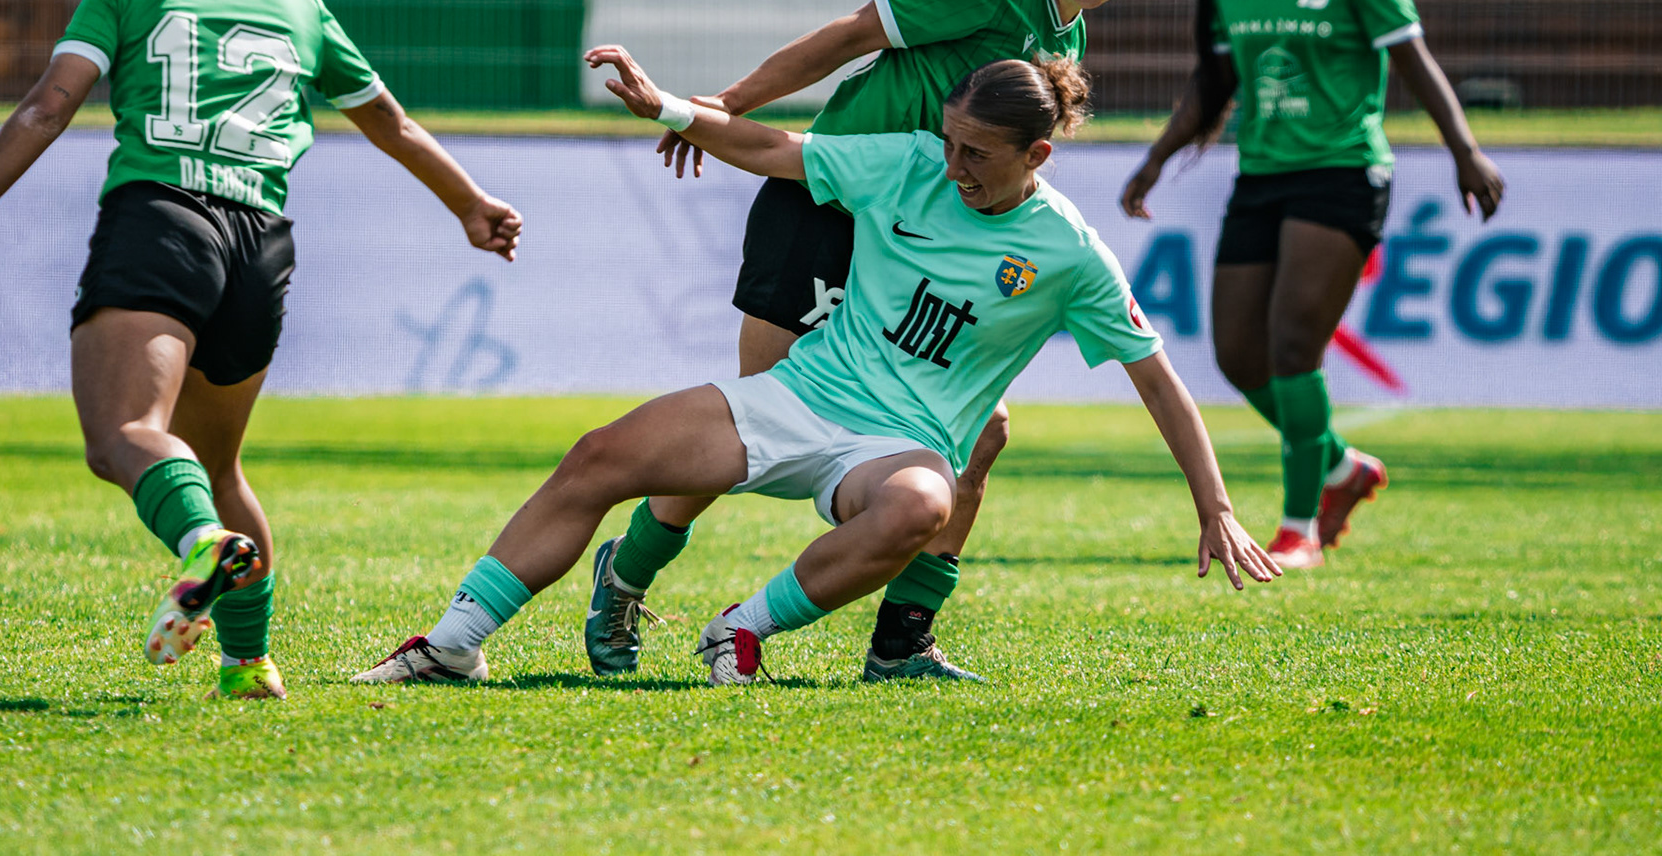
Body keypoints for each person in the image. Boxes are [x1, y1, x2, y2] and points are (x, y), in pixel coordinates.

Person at [0, 0, 522, 699]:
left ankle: (199, 545)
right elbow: (391, 121)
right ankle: (248, 661)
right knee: (217, 461)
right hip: (261, 245)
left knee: (127, 437)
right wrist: (470, 204)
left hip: (164, 222)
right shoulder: (299, 6)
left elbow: (45, 109)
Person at [352, 48, 1277, 687]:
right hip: (798, 397)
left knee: (926, 504)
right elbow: (773, 149)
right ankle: (453, 645)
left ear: (1036, 156)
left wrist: (1217, 506)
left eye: (976, 154)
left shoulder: (1069, 253)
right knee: (601, 454)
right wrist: (667, 107)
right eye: (949, 139)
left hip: (897, 446)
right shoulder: (911, 163)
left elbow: (1156, 376)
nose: (952, 163)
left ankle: (742, 627)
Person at [598, 0, 1166, 683]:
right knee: (749, 442)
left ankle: (903, 638)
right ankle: (625, 575)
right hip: (825, 211)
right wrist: (722, 112)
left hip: (903, 242)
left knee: (985, 430)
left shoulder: (1064, 33)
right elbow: (847, 37)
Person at [1119, 0, 1505, 570]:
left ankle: (1300, 530)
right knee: (1236, 352)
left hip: (1342, 170)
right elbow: (1217, 80)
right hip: (1260, 174)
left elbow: (1415, 63)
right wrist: (1156, 160)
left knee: (1294, 345)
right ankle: (1338, 465)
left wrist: (1466, 151)